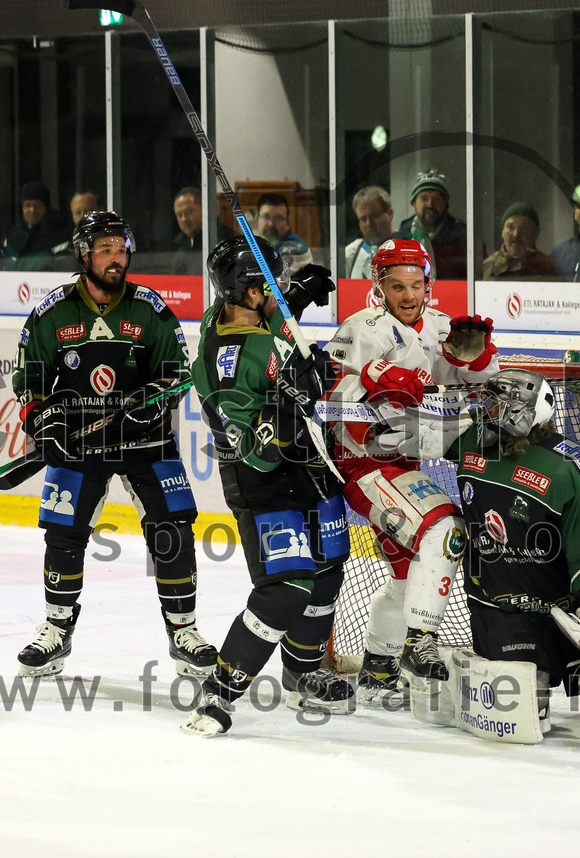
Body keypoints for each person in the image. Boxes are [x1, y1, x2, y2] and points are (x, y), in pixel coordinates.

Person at [12, 211, 217, 679]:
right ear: (83, 254)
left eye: (121, 249)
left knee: (173, 528)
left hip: (147, 439)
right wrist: (43, 419)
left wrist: (157, 396)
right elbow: (29, 376)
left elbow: (179, 372)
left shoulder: (150, 308)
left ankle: (183, 630)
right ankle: (56, 629)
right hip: (79, 442)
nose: (116, 258)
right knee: (63, 533)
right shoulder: (53, 310)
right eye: (105, 249)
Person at [182, 236, 352, 736]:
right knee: (285, 589)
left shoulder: (245, 315)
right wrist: (289, 400)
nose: (276, 291)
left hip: (311, 469)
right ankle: (219, 693)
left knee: (326, 572)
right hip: (263, 482)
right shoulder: (220, 364)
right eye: (268, 284)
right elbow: (257, 447)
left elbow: (275, 324)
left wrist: (295, 296)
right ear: (247, 291)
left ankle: (302, 677)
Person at [324, 238, 499, 707]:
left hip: (412, 461)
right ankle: (419, 641)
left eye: (415, 285)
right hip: (366, 464)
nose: (406, 295)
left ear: (429, 285)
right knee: (444, 529)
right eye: (396, 286)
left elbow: (483, 382)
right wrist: (369, 380)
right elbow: (328, 402)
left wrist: (476, 358)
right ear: (378, 285)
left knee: (408, 575)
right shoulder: (360, 327)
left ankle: (379, 670)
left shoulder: (442, 326)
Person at [446, 368, 580, 732]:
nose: (485, 411)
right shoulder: (470, 443)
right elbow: (407, 434)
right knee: (517, 715)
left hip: (567, 615)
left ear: (525, 412)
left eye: (496, 405)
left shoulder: (567, 467)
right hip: (501, 612)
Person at [398, 168, 468, 280]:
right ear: (413, 204)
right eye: (424, 198)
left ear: (446, 204)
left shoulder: (463, 236)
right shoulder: (400, 237)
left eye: (436, 199)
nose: (430, 204)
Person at [344, 186, 411, 279]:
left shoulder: (409, 248)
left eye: (375, 217)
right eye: (363, 219)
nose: (369, 224)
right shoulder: (352, 253)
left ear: (390, 214)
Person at [2, 180, 68, 271]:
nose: (32, 210)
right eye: (27, 205)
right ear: (22, 208)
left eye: (37, 205)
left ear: (46, 208)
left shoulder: (60, 237)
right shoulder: (12, 237)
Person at [481, 203, 559, 280]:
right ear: (502, 232)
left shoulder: (548, 267)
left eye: (524, 228)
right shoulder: (488, 266)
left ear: (536, 233)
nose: (516, 234)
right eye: (510, 227)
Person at [255, 192, 313, 269]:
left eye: (278, 218)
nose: (271, 224)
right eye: (266, 217)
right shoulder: (253, 242)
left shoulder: (297, 251)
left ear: (287, 223)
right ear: (257, 219)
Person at [172, 186, 204, 274]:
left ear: (204, 209)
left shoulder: (218, 238)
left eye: (188, 212)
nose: (184, 219)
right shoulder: (178, 246)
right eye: (179, 215)